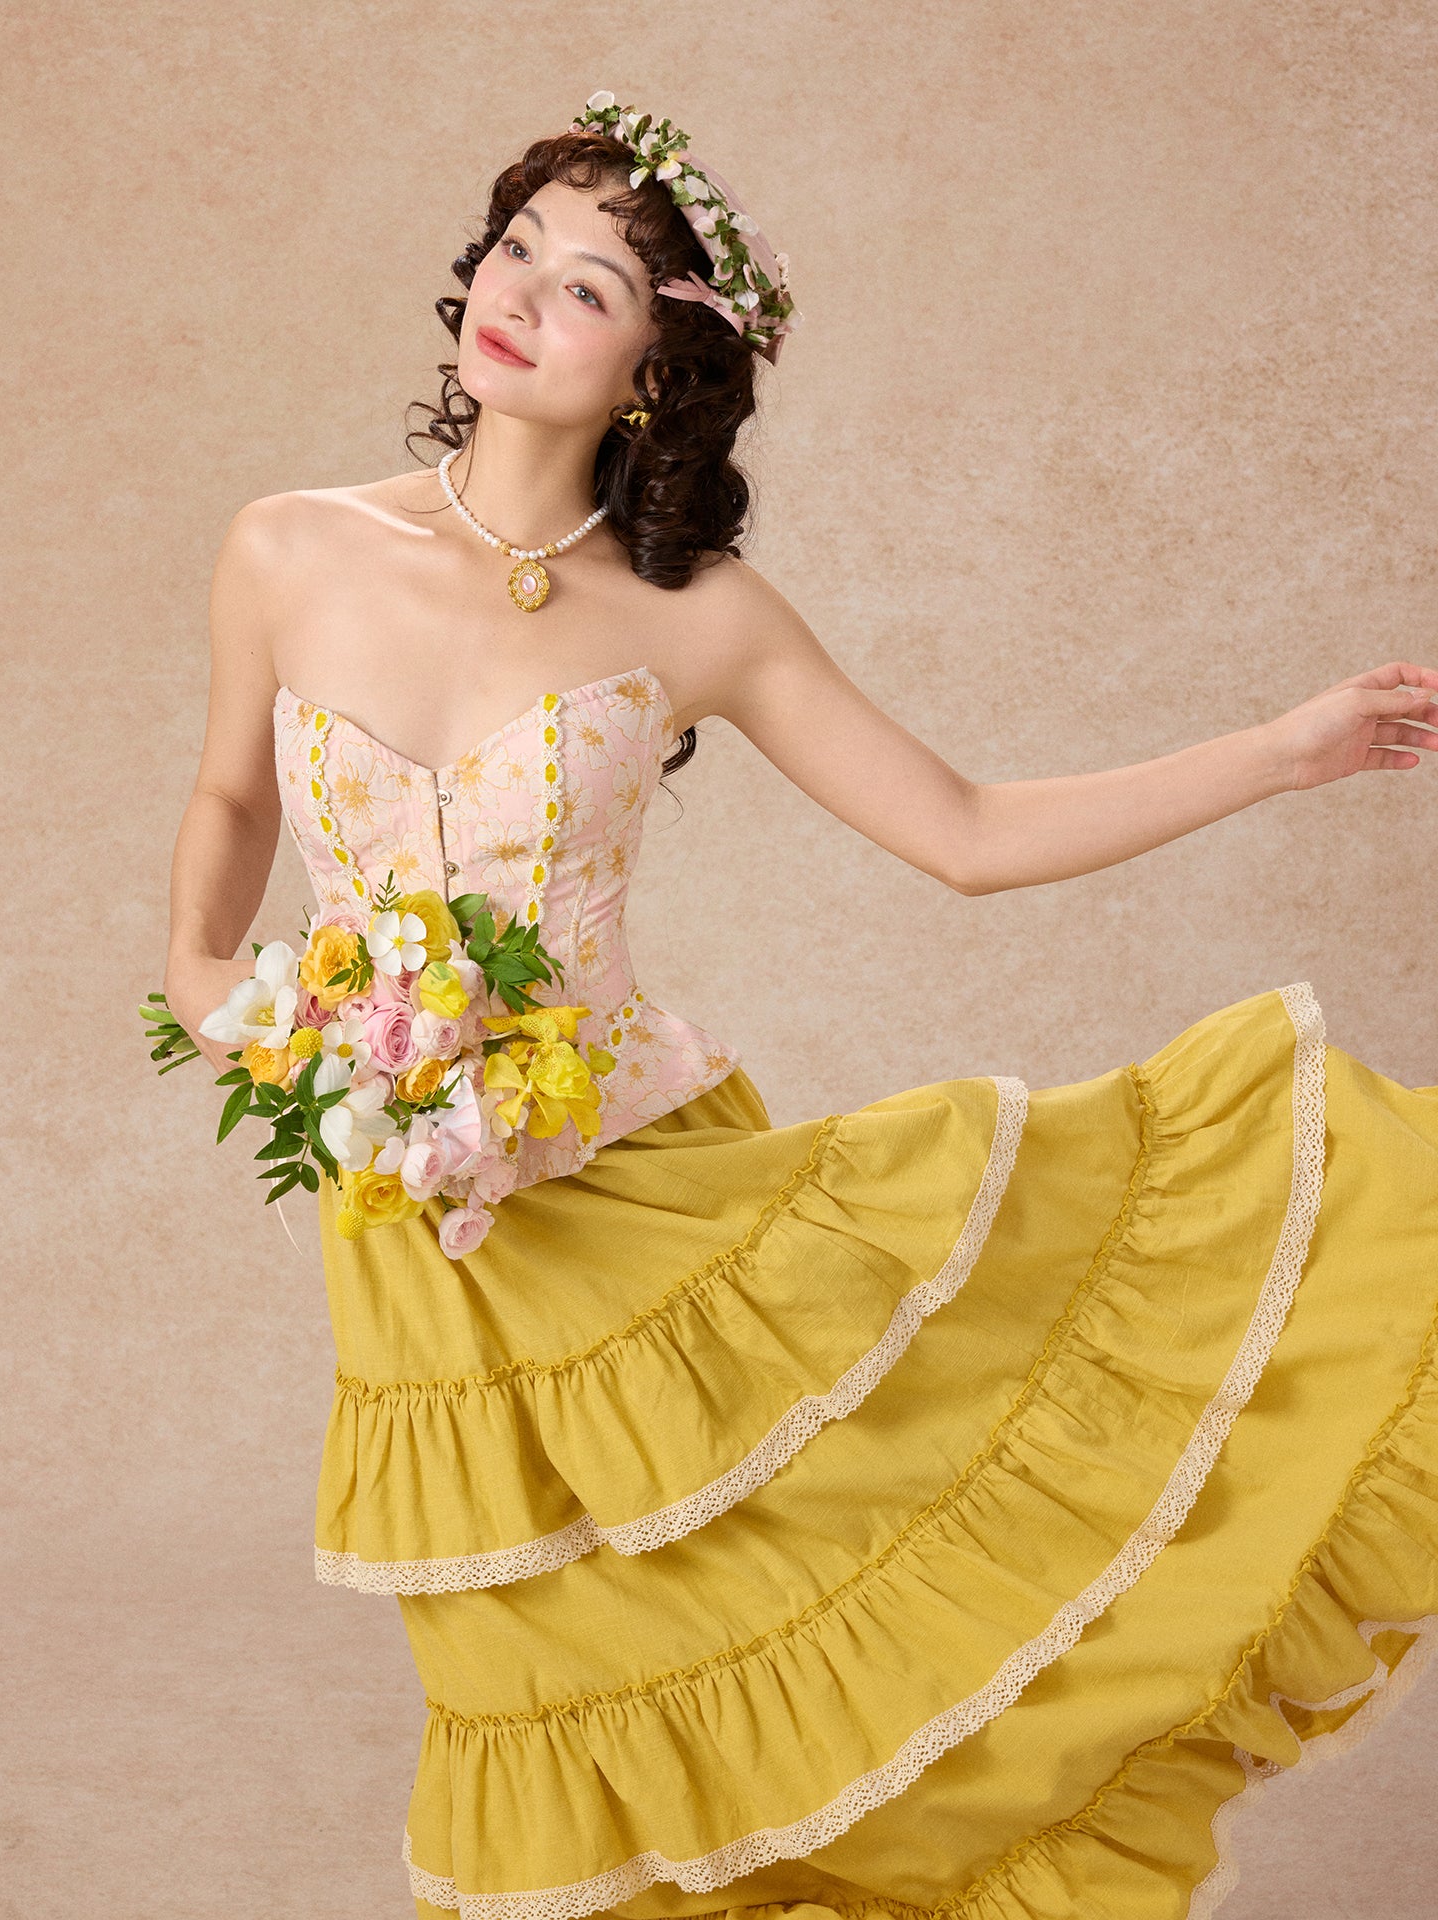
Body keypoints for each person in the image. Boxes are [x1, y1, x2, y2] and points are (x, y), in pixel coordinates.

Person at [162, 90, 1438, 1920]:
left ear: (656, 375)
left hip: (638, 1194)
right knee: (529, 1665)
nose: (522, 294)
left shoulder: (702, 617)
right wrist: (209, 975)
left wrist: (1283, 750)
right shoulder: (286, 549)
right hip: (405, 1211)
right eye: (518, 246)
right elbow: (232, 798)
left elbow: (968, 832)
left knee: (779, 1602)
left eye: (588, 288)